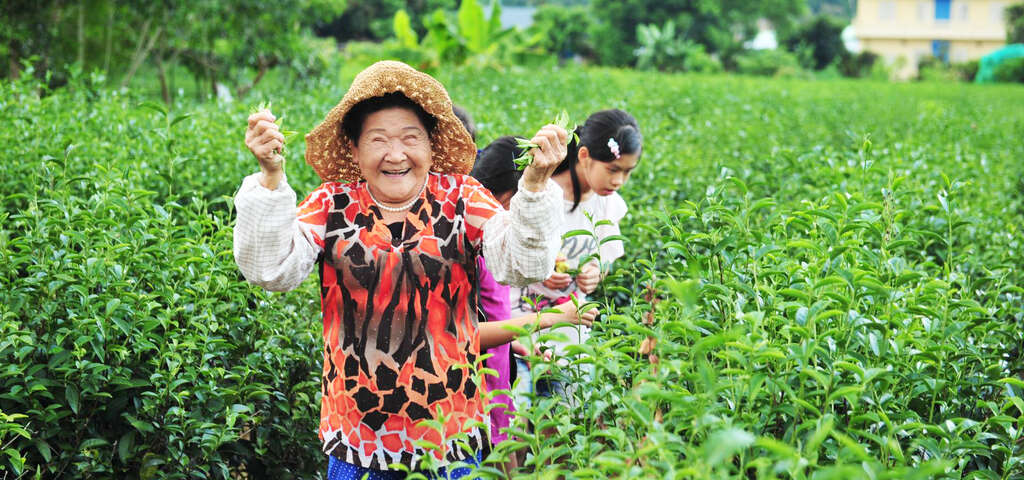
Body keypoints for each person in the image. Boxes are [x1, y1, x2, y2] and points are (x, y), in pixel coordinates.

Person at [233, 60, 570, 479]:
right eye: (378, 140)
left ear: (431, 146)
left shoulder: (462, 198)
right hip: (359, 435)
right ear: (354, 149)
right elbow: (270, 270)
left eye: (411, 138)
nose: (396, 155)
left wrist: (535, 185)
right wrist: (270, 177)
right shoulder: (332, 203)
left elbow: (520, 264)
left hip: (449, 434)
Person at [509, 109, 642, 406]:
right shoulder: (542, 192)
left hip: (570, 333)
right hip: (521, 325)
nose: (619, 180)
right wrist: (541, 269)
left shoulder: (608, 205)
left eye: (627, 172)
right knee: (515, 421)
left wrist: (596, 272)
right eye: (612, 169)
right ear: (584, 156)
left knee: (564, 420)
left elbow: (605, 260)